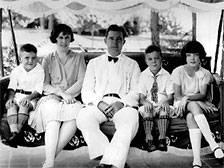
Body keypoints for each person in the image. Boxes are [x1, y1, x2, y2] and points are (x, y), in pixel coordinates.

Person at [76, 24, 141, 168]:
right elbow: (86, 91)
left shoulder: (133, 64)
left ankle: (106, 164)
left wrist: (121, 104)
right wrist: (100, 104)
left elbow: (136, 91)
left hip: (122, 105)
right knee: (83, 117)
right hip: (100, 104)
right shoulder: (93, 63)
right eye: (111, 38)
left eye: (119, 39)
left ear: (124, 42)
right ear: (105, 40)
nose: (114, 42)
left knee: (131, 120)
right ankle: (114, 160)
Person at [29, 24, 86, 168]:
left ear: (71, 39)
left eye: (67, 37)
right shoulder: (48, 59)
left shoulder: (78, 57)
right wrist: (61, 93)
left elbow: (81, 80)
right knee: (53, 120)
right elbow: (45, 84)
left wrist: (68, 95)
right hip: (52, 97)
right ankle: (50, 162)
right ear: (55, 38)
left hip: (72, 97)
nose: (64, 41)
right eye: (60, 37)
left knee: (75, 116)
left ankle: (49, 160)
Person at [171, 40, 224, 168]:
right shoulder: (178, 71)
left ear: (201, 57)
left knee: (191, 117)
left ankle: (197, 161)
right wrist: (191, 101)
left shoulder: (204, 73)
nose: (192, 58)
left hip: (194, 104)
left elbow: (202, 94)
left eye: (196, 55)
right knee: (193, 106)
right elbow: (178, 96)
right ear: (185, 57)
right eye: (189, 55)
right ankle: (213, 144)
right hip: (180, 104)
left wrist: (188, 97)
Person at [4, 43, 44, 148]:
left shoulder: (40, 71)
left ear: (37, 57)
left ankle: (17, 132)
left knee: (24, 105)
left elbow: (38, 90)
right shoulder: (17, 70)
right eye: (27, 58)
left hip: (32, 97)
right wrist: (10, 99)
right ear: (20, 58)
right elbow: (12, 87)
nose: (30, 61)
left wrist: (28, 98)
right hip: (18, 95)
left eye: (33, 58)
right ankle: (14, 134)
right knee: (11, 106)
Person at [138, 45, 174, 152]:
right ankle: (149, 139)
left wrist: (166, 102)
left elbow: (170, 97)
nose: (154, 61)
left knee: (165, 109)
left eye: (156, 58)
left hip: (162, 104)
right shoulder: (142, 76)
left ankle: (162, 139)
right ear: (146, 61)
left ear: (161, 59)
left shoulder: (167, 75)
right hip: (149, 105)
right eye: (150, 59)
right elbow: (141, 98)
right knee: (146, 110)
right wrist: (145, 103)